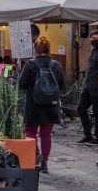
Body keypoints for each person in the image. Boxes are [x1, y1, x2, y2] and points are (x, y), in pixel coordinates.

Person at [18, 36, 65, 173]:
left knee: (30, 133)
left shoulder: (30, 64)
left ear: (36, 49)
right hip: (51, 105)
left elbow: (22, 84)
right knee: (46, 134)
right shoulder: (56, 65)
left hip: (33, 104)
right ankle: (45, 161)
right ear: (48, 49)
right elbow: (62, 85)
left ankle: (35, 157)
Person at [77, 28, 98, 145]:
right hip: (88, 84)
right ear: (89, 38)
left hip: (97, 85)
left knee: (97, 112)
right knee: (81, 108)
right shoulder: (92, 50)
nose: (95, 40)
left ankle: (97, 137)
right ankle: (88, 135)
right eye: (93, 38)